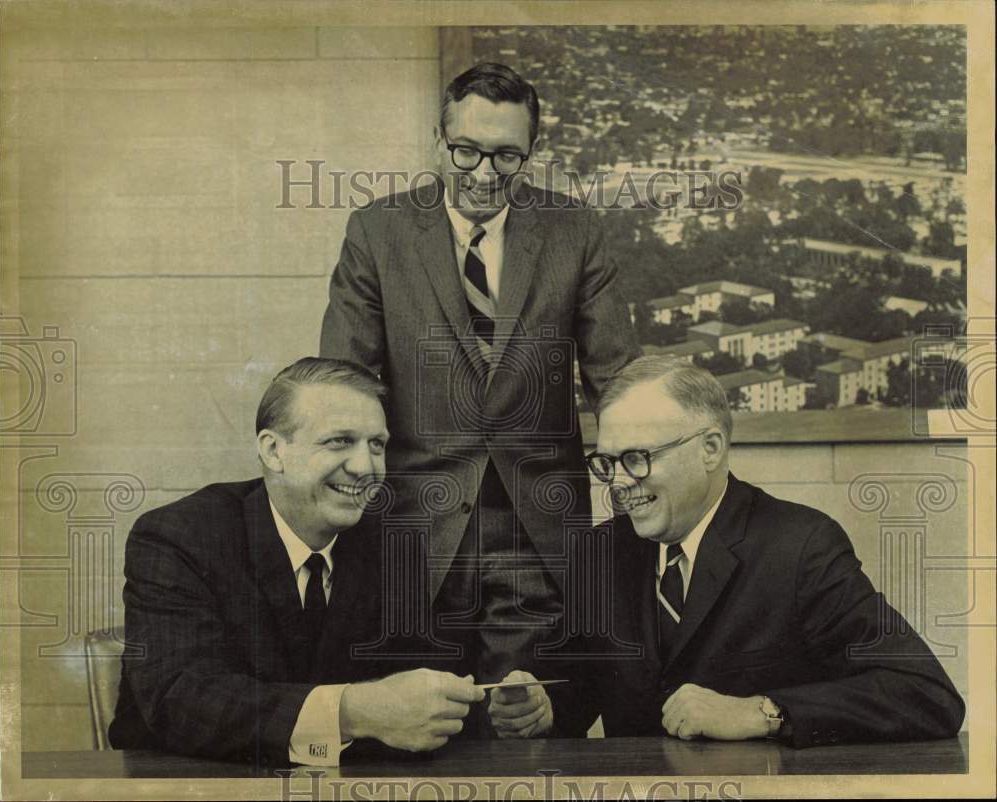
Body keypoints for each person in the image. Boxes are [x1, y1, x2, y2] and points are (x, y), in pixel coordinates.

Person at [319, 62, 640, 735]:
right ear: (438, 143)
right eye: (466, 151)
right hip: (409, 526)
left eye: (507, 156)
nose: (485, 173)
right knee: (413, 729)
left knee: (522, 727)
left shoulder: (575, 231)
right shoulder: (377, 232)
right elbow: (343, 381)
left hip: (538, 529)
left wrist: (646, 465)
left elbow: (616, 379)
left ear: (531, 153)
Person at [565, 355, 964, 746]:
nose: (616, 483)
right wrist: (541, 705)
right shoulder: (598, 554)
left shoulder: (802, 547)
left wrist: (763, 713)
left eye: (636, 459)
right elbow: (577, 690)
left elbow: (927, 695)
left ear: (710, 448)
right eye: (607, 462)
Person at [109, 358, 490, 764]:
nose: (366, 468)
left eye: (376, 445)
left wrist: (492, 705)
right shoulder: (179, 537)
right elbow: (180, 698)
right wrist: (354, 711)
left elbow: (426, 686)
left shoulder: (392, 545)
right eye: (339, 441)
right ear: (274, 451)